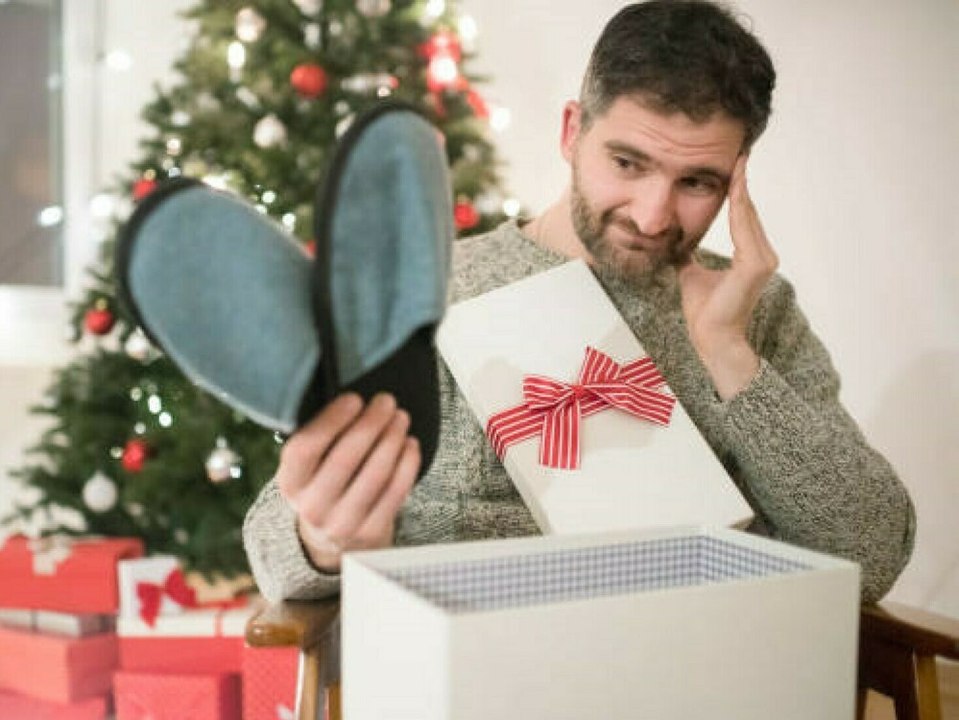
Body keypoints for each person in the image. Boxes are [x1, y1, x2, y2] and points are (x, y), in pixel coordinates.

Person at [243, 0, 915, 605]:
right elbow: (275, 548)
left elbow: (869, 552)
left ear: (738, 177)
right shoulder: (430, 293)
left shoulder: (753, 311)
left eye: (697, 182)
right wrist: (323, 538)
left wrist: (729, 356)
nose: (653, 215)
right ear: (571, 132)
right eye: (627, 163)